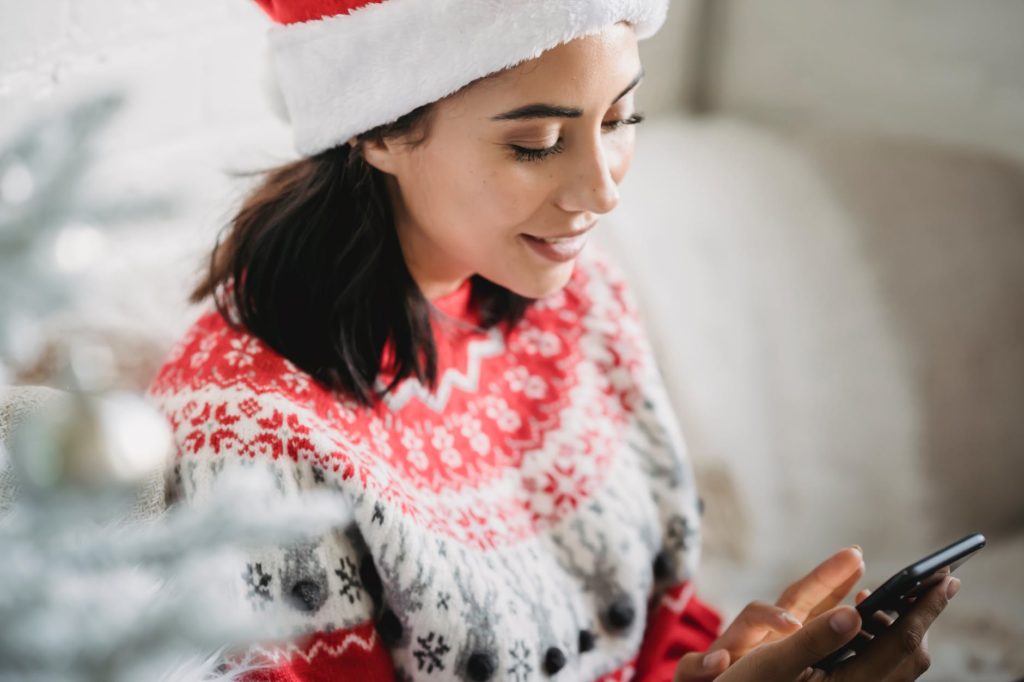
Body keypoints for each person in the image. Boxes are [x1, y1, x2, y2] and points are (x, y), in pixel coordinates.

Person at [146, 0, 958, 680]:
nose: (602, 191)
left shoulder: (580, 298)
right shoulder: (249, 431)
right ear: (380, 128)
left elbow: (653, 631)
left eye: (622, 118)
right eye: (535, 144)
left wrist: (725, 660)